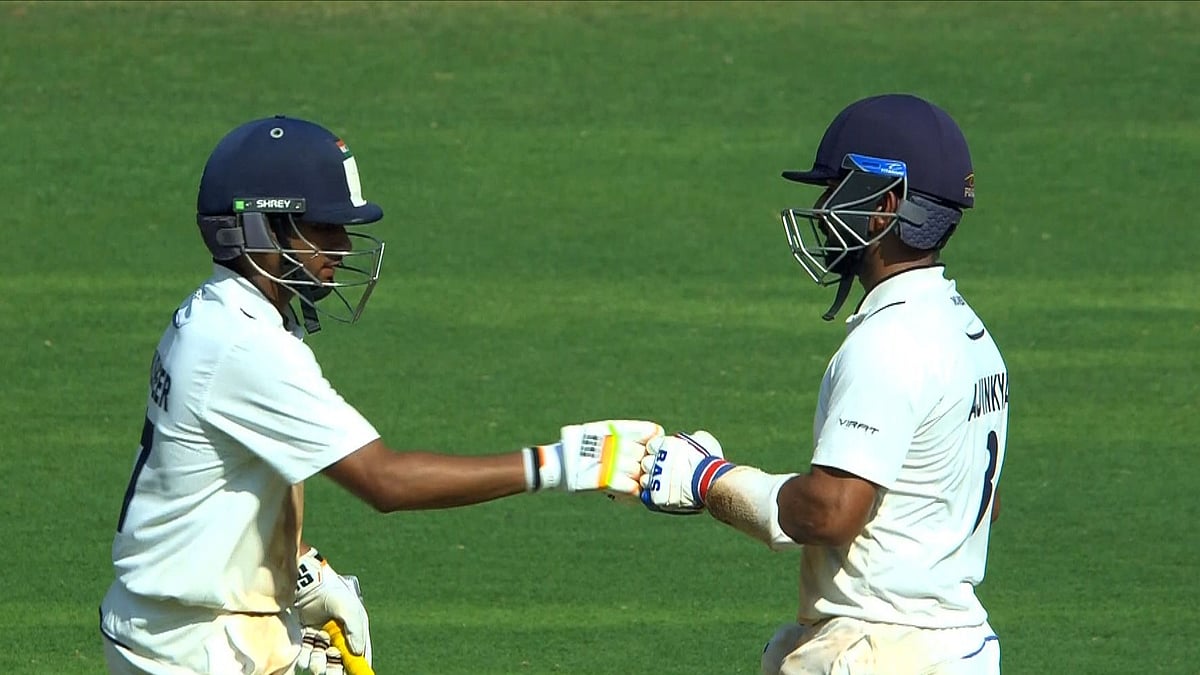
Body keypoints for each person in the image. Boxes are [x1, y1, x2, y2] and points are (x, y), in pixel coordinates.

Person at [99, 114, 663, 675]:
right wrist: (564, 462)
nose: (342, 246)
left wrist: (300, 571)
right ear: (257, 230)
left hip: (182, 628)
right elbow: (384, 481)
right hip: (191, 649)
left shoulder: (221, 315)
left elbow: (239, 473)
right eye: (322, 227)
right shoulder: (245, 347)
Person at [640, 94, 1008, 674]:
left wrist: (708, 480)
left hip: (885, 652)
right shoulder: (971, 335)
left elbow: (831, 513)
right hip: (957, 647)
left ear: (885, 205)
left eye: (837, 188)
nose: (822, 206)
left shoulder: (891, 342)